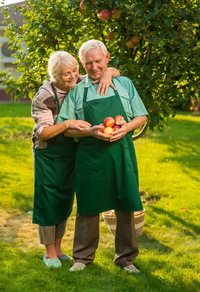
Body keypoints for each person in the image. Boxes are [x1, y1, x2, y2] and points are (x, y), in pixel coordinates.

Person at [56, 40, 148, 273]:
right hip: (90, 153)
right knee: (88, 203)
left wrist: (126, 128)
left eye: (98, 61)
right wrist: (89, 132)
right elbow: (66, 128)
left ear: (107, 58)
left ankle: (126, 258)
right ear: (82, 65)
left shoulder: (124, 84)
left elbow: (141, 116)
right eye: (88, 63)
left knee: (126, 202)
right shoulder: (77, 91)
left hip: (121, 152)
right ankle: (82, 258)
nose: (94, 67)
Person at [31, 50, 120, 268]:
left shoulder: (79, 81)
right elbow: (43, 132)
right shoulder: (45, 96)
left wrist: (108, 72)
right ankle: (49, 252)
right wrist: (68, 123)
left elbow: (114, 71)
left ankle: (59, 249)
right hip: (49, 153)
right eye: (65, 75)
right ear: (54, 77)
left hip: (71, 150)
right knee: (48, 200)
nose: (72, 77)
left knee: (64, 200)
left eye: (74, 71)